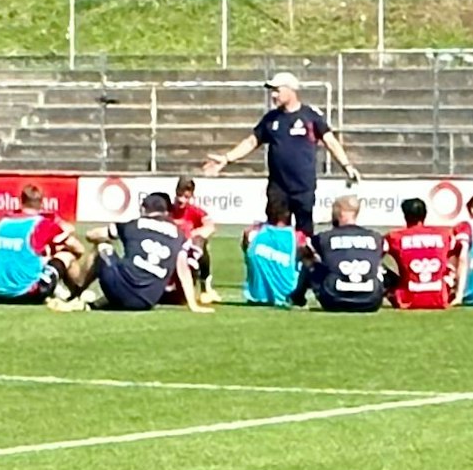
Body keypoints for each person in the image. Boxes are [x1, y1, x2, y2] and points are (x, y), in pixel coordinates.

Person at [201, 71, 360, 236]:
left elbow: (331, 141)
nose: (273, 95)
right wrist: (227, 158)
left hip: (302, 187)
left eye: (277, 90)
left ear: (290, 90)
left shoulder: (310, 116)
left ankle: (303, 262)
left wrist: (347, 166)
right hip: (278, 188)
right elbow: (252, 141)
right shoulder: (271, 118)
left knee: (303, 236)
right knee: (275, 233)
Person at [49, 192, 210, 313]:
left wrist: (92, 237)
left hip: (122, 289)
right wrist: (193, 305)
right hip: (148, 300)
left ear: (144, 209)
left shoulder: (134, 224)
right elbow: (183, 270)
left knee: (103, 248)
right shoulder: (179, 235)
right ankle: (93, 304)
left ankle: (74, 295)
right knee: (130, 275)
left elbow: (94, 235)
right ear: (166, 212)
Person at [0, 184, 82, 305]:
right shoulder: (41, 224)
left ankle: (58, 289)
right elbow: (79, 249)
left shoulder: (2, 223)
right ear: (42, 202)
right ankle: (78, 295)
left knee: (35, 258)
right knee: (66, 256)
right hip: (26, 294)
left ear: (21, 200)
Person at [297, 195, 385, 312]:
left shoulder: (324, 237)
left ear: (340, 213)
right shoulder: (376, 237)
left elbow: (303, 251)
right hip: (372, 301)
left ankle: (297, 297)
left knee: (309, 261)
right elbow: (383, 253)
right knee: (380, 267)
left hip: (333, 299)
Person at [384, 197, 454, 310]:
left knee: (380, 269)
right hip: (439, 298)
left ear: (405, 215)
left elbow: (376, 254)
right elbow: (459, 254)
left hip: (407, 298)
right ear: (425, 214)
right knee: (451, 269)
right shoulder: (444, 234)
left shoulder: (395, 237)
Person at [240, 191, 309, 307]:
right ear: (288, 214)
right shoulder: (296, 237)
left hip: (256, 297)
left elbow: (246, 253)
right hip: (287, 297)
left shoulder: (252, 233)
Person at [171, 176, 222, 305]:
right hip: (169, 251)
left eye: (186, 197)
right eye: (180, 195)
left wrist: (192, 234)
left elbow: (210, 227)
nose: (182, 200)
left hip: (187, 254)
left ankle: (205, 288)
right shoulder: (167, 210)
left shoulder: (195, 212)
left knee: (200, 242)